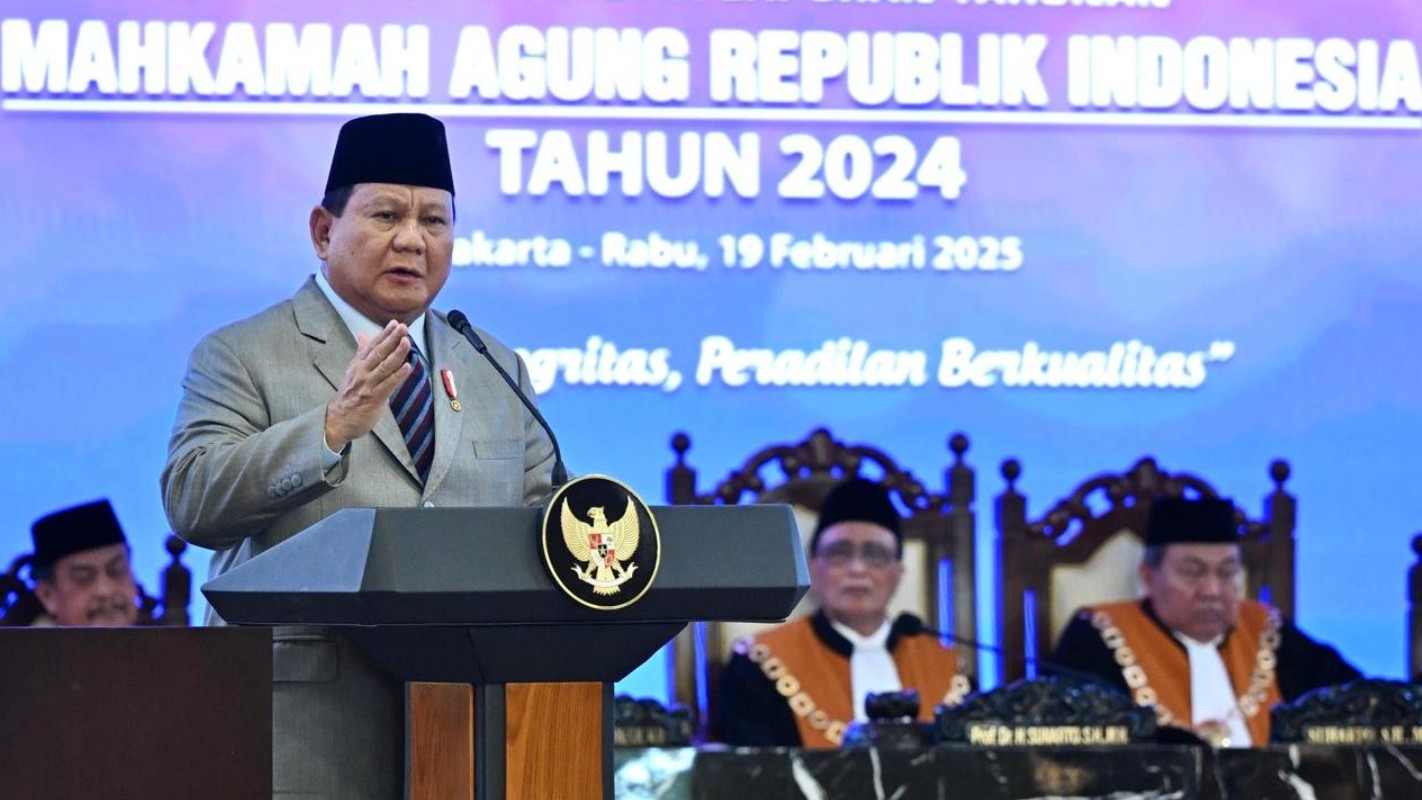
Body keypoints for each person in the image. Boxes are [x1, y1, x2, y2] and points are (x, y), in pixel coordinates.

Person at [161, 113, 557, 799]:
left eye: (434, 221)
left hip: (467, 728)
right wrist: (331, 427)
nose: (412, 240)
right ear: (323, 232)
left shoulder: (494, 366)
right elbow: (193, 501)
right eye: (386, 215)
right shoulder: (243, 353)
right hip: (303, 728)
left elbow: (538, 517)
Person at [1049, 496, 1361, 747]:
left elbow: (1355, 703)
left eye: (1227, 572)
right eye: (1193, 572)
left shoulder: (1266, 628)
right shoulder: (1097, 634)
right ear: (1148, 577)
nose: (1212, 590)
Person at [716, 477, 970, 748]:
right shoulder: (759, 665)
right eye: (840, 553)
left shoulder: (947, 669)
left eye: (875, 554)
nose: (857, 569)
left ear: (898, 573)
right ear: (813, 569)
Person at [26, 499, 139, 627]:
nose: (105, 590)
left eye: (117, 571)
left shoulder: (156, 637)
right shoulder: (24, 640)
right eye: (84, 578)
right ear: (47, 595)